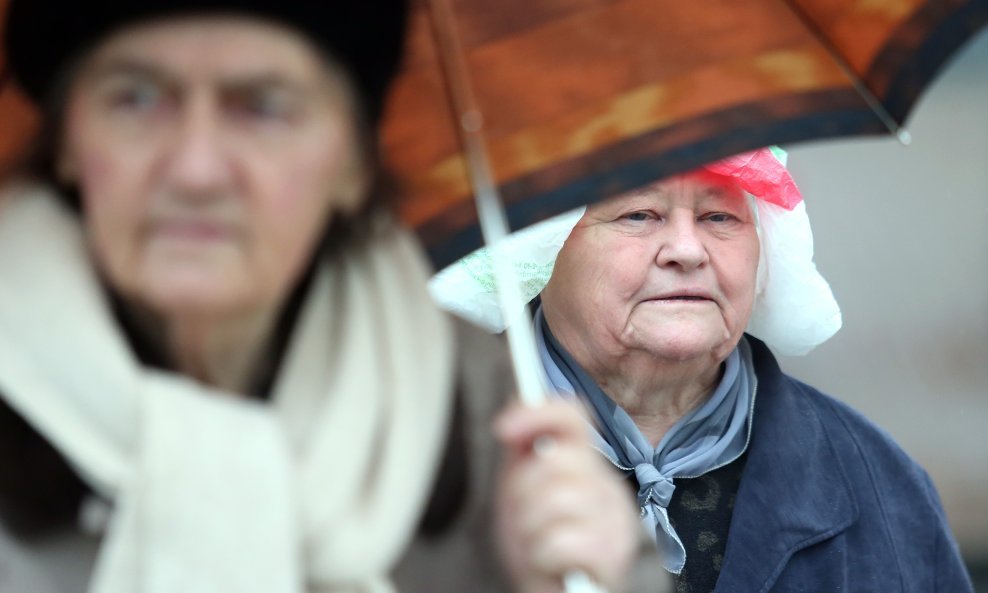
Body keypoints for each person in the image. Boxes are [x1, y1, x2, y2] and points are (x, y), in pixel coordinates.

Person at [0, 2, 644, 592]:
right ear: (65, 143)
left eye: (263, 107)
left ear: (354, 165)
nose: (195, 168)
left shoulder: (479, 406)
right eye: (137, 99)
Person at [431, 148, 975, 592]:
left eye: (720, 217)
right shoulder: (426, 464)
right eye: (639, 215)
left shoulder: (879, 484)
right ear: (543, 250)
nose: (687, 250)